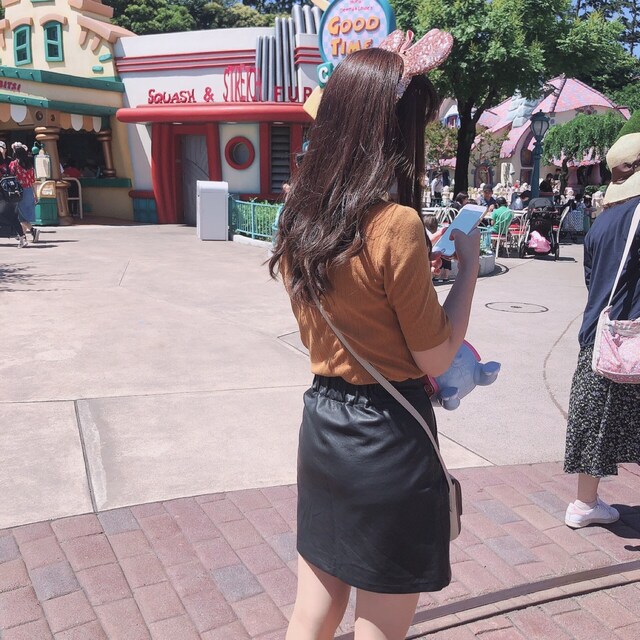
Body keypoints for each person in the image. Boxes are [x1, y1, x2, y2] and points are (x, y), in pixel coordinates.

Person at [269, 35, 480, 638]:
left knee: (313, 610)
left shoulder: (299, 217)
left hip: (323, 429)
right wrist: (467, 268)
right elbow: (435, 355)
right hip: (387, 441)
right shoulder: (396, 225)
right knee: (380, 627)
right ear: (394, 131)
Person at [563, 128, 640, 529]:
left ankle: (584, 503)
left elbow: (593, 281)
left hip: (600, 336)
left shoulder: (602, 222)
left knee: (595, 422)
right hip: (633, 335)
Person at [9, 144, 39, 243]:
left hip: (19, 191)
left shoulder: (14, 164)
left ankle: (33, 230)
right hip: (29, 191)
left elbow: (11, 177)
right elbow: (33, 181)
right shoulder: (30, 165)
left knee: (20, 215)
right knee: (25, 215)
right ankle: (23, 235)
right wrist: (35, 194)